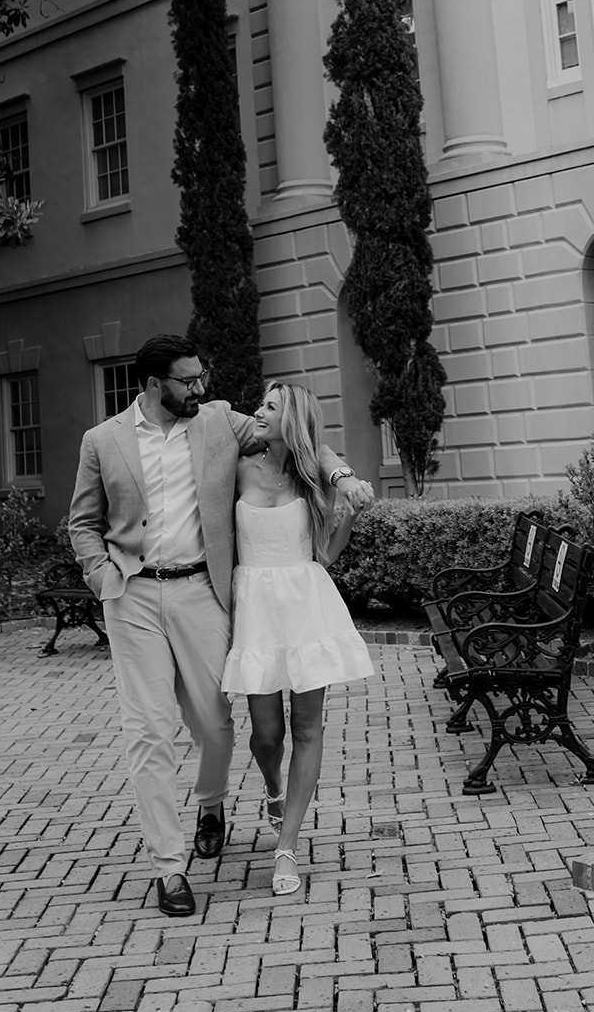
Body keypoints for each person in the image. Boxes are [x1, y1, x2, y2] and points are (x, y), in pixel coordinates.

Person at [68, 334, 368, 917]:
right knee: (149, 731)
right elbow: (83, 520)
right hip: (130, 593)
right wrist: (101, 574)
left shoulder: (217, 423)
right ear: (155, 386)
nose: (201, 388)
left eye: (201, 378)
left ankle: (212, 802)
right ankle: (169, 867)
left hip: (201, 590)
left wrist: (342, 475)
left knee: (213, 724)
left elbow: (306, 440)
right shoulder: (101, 440)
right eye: (189, 380)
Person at [220, 382, 374, 896]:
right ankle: (272, 786)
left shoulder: (314, 480)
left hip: (306, 605)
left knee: (307, 727)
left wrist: (347, 511)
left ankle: (287, 847)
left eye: (270, 406)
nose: (258, 411)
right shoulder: (239, 468)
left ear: (293, 419)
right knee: (267, 733)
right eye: (261, 403)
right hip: (256, 610)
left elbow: (325, 556)